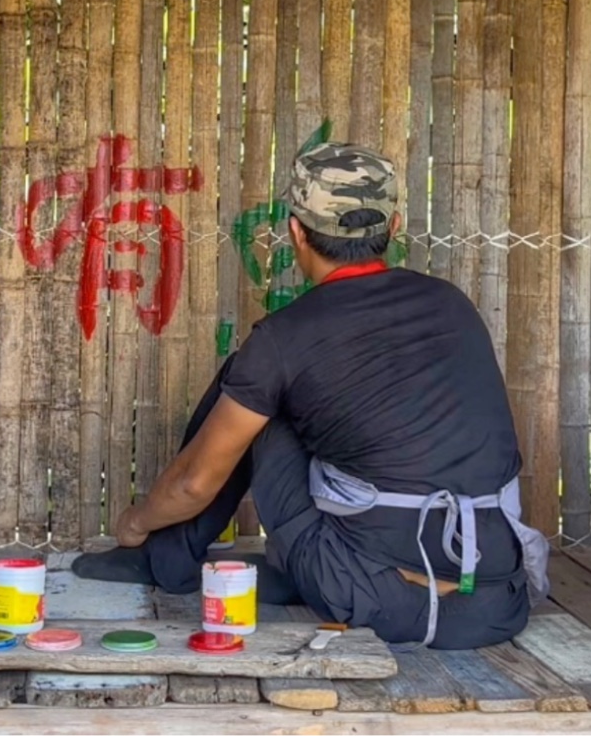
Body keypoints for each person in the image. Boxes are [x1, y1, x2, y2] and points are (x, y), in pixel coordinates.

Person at [73, 141, 545, 649]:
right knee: (294, 398)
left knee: (258, 394)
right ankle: (303, 567)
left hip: (382, 601)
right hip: (496, 602)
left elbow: (193, 484)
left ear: (295, 231)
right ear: (395, 225)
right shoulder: (454, 306)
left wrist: (134, 523)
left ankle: (164, 557)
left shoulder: (285, 338)